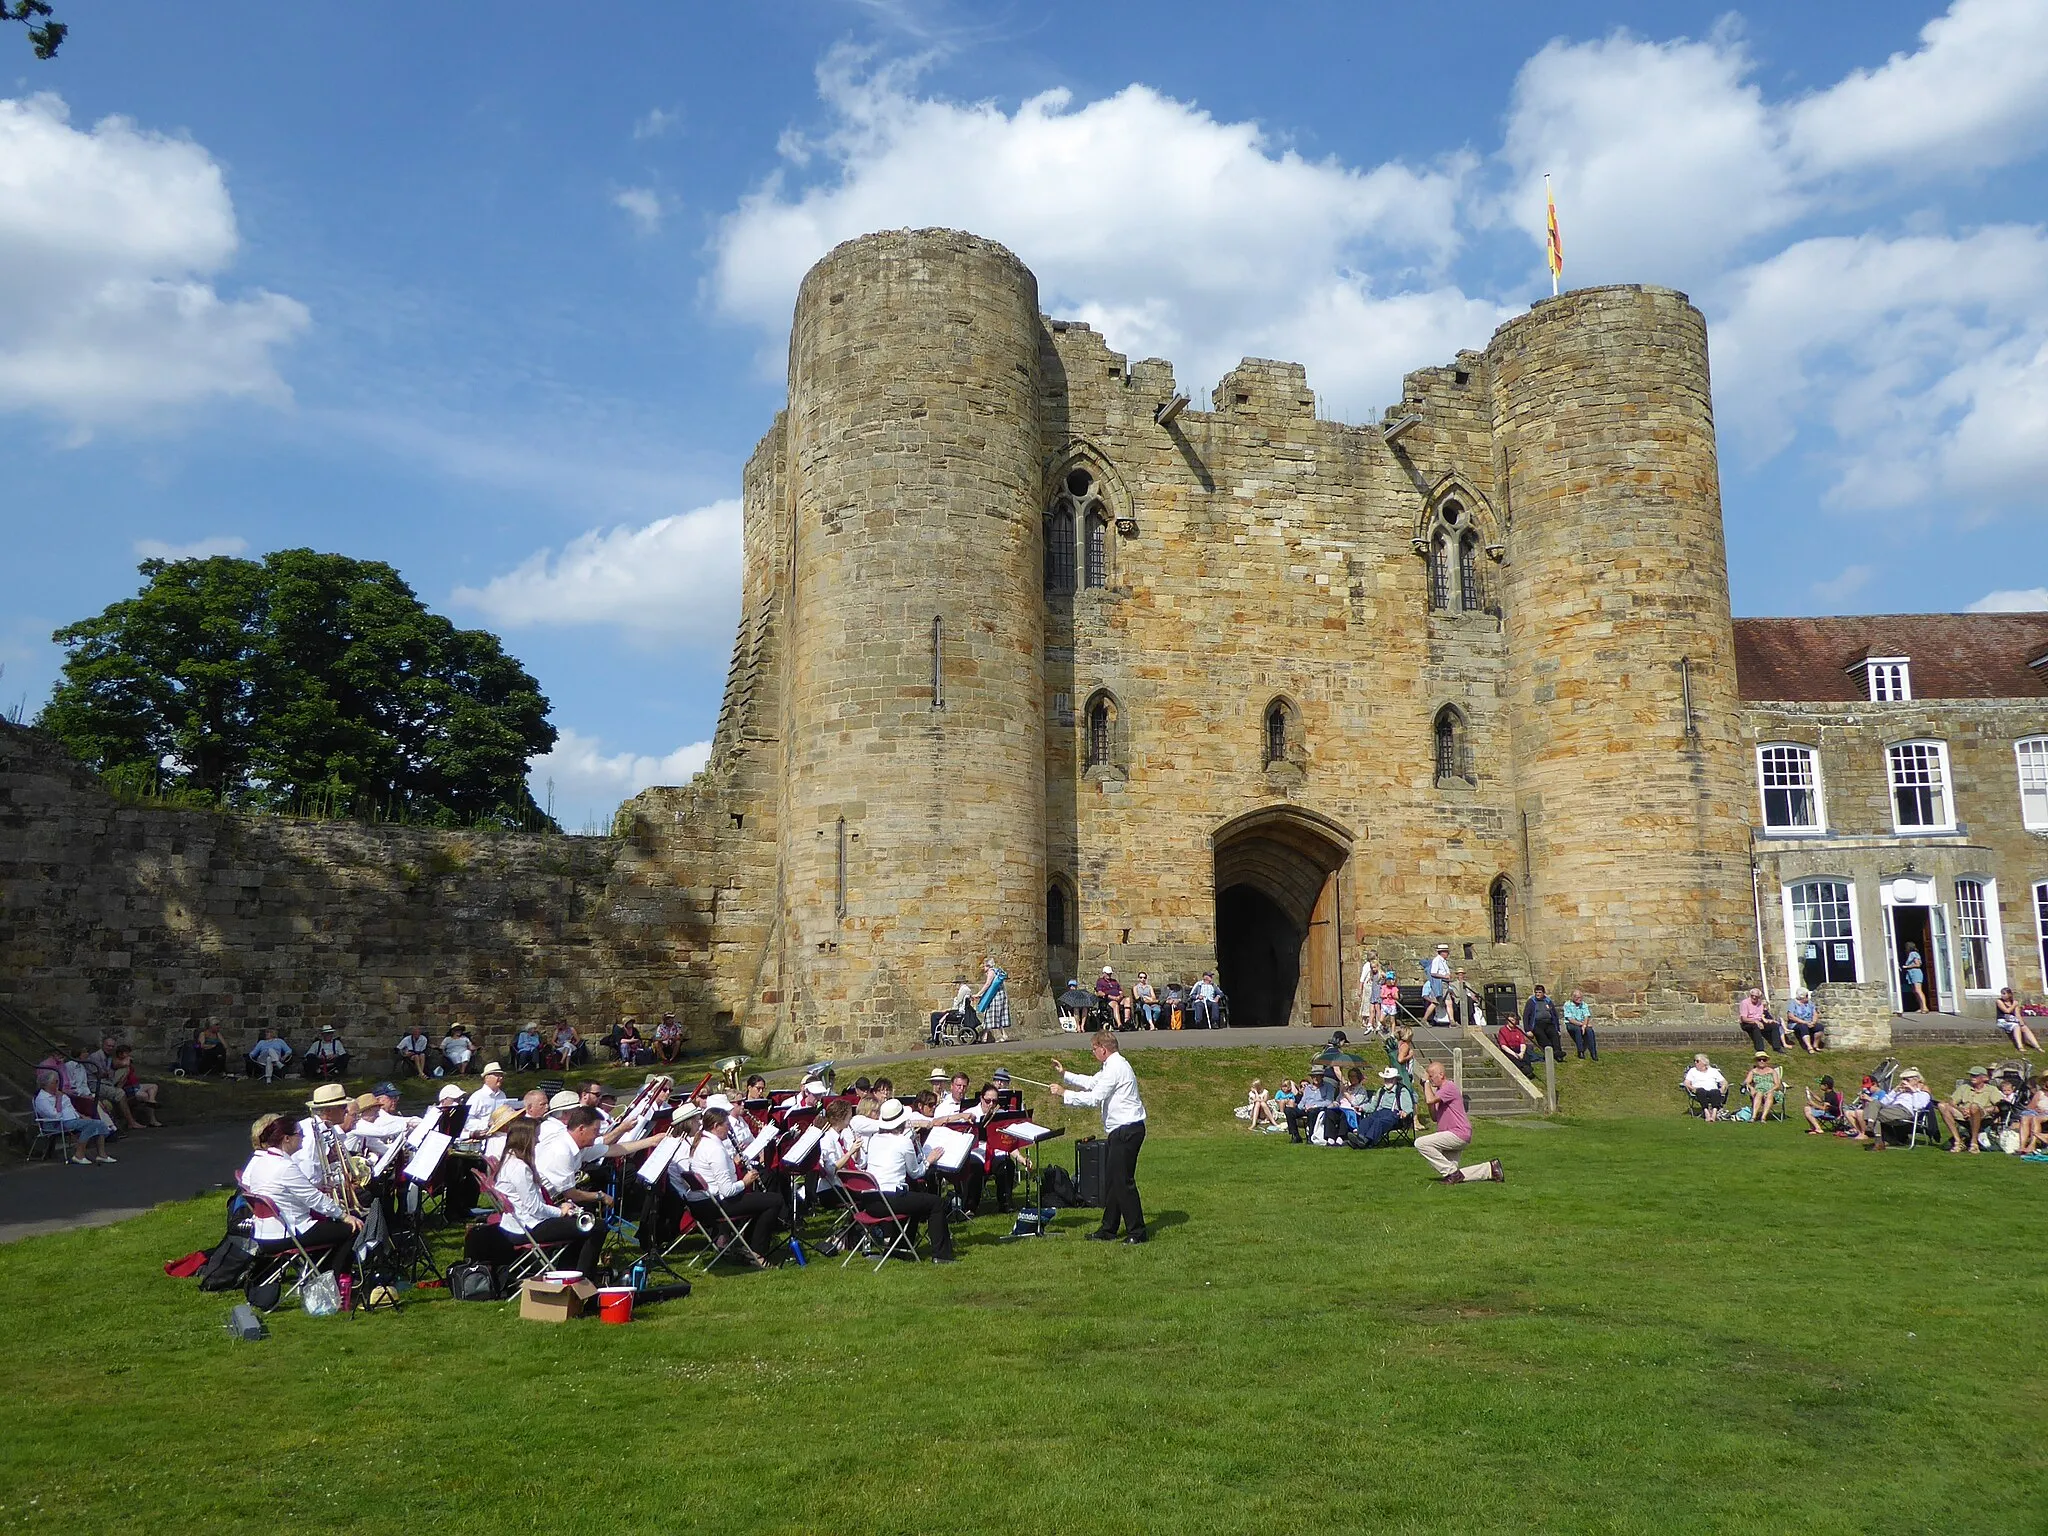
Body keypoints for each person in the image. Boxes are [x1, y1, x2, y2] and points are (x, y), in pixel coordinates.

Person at [1050, 1030, 1148, 1241]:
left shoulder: (1116, 1067)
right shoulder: (1110, 1066)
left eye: (1093, 1049)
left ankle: (1137, 1232)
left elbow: (1094, 1098)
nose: (1093, 1053)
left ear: (1103, 1049)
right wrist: (1065, 1075)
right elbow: (1093, 1082)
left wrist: (1064, 1093)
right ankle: (1108, 1229)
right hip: (1120, 1130)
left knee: (1123, 1183)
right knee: (1113, 1183)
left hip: (1127, 1130)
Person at [476, 1118, 607, 1275]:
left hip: (519, 1224)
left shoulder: (509, 1160)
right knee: (597, 1226)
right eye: (535, 1137)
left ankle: (568, 1271)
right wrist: (561, 1211)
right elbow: (534, 1208)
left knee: (582, 1227)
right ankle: (582, 1276)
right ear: (525, 1139)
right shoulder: (519, 1168)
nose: (537, 1141)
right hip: (528, 1228)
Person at [240, 1113, 359, 1266]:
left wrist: (315, 1189)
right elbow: (314, 1199)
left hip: (264, 1233)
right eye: (300, 1134)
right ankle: (336, 1279)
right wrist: (344, 1216)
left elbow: (283, 1192)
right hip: (287, 1234)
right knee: (351, 1228)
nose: (303, 1137)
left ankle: (321, 1273)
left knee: (330, 1227)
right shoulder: (284, 1166)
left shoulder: (261, 1162)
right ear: (286, 1138)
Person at [858, 1098, 954, 1261]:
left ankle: (900, 1248)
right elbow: (916, 1173)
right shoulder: (903, 1142)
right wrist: (929, 1159)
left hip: (870, 1201)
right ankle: (942, 1255)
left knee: (915, 1198)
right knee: (936, 1203)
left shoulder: (874, 1139)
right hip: (889, 1200)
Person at [1415, 1060, 1500, 1183]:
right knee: (1452, 1173)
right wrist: (1426, 1087)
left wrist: (1426, 1082)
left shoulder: (1449, 1087)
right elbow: (1434, 1117)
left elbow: (1429, 1100)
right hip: (1451, 1133)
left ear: (1441, 1075)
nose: (1430, 1079)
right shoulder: (1439, 1092)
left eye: (1431, 1076)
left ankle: (1453, 1174)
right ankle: (1490, 1169)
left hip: (1457, 1133)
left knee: (1421, 1143)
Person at [32, 1077, 114, 1163]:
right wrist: (59, 1099)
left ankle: (102, 1155)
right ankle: (79, 1155)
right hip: (57, 1123)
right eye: (55, 1082)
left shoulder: (58, 1093)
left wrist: (81, 1116)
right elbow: (55, 1115)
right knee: (90, 1125)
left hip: (72, 1119)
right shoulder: (42, 1098)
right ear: (46, 1085)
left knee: (100, 1123)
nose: (57, 1084)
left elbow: (70, 1108)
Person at [1849, 1068, 1932, 1149]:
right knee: (1874, 1103)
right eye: (1903, 1079)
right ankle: (1873, 1130)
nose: (1903, 1082)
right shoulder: (1900, 1091)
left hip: (1905, 1111)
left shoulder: (1922, 1093)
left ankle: (1877, 1137)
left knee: (1874, 1114)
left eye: (1907, 1080)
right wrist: (1895, 1091)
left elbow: (1918, 1106)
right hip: (1892, 1110)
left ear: (1916, 1080)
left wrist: (1913, 1090)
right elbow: (1883, 1102)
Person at [1939, 1066, 2003, 1155]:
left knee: (1974, 1107)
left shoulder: (1991, 1089)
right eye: (1971, 1075)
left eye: (1975, 1075)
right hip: (1964, 1113)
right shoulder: (1964, 1087)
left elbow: (1999, 1107)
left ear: (1984, 1077)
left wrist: (1983, 1110)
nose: (1972, 1077)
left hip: (1982, 1115)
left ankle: (1974, 1143)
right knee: (1942, 1105)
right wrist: (1961, 1109)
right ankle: (1958, 1141)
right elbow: (1952, 1102)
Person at [103, 1045, 162, 1127]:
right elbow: (124, 1064)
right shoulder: (116, 1062)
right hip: (128, 1088)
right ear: (120, 1054)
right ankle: (151, 1120)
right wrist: (128, 1058)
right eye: (126, 1053)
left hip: (135, 1084)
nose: (128, 1055)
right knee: (145, 1096)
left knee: (154, 1087)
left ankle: (152, 1101)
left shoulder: (126, 1060)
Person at [1286, 1065, 1340, 1144]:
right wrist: (1302, 1107)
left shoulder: (1328, 1087)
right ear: (1311, 1077)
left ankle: (1311, 1135)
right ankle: (1295, 1135)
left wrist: (1314, 1106)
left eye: (1318, 1076)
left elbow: (1329, 1101)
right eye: (1314, 1076)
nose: (1316, 1078)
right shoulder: (1308, 1088)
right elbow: (1303, 1101)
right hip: (1306, 1108)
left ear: (1322, 1076)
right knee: (1289, 1110)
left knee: (1312, 1112)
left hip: (1319, 1109)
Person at [463, 1063, 510, 1137]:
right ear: (487, 1078)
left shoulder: (502, 1095)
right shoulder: (478, 1096)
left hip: (501, 1136)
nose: (500, 1078)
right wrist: (487, 1124)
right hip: (483, 1138)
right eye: (497, 1075)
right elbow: (467, 1120)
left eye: (501, 1075)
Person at [1522, 985, 1564, 1062]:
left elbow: (1554, 1016)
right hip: (1537, 1024)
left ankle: (1558, 1053)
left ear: (1543, 993)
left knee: (1555, 1035)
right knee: (1542, 1037)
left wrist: (1558, 1029)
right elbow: (1525, 1016)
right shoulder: (1531, 1002)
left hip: (1548, 1023)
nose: (1538, 994)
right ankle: (1551, 1054)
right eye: (1536, 992)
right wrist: (1527, 1030)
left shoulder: (1548, 1001)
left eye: (1540, 992)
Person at [1683, 1055, 1729, 1120]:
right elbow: (1686, 1082)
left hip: (1713, 1091)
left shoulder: (1713, 1071)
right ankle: (1706, 1112)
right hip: (1698, 1091)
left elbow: (1724, 1082)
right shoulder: (1692, 1071)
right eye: (1694, 1061)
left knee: (1715, 1092)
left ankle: (1714, 1113)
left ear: (1704, 1062)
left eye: (1697, 1061)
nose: (1695, 1062)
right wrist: (1692, 1088)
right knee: (1701, 1091)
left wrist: (1722, 1088)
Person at [1740, 1053, 1783, 1123]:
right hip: (1758, 1091)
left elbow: (1777, 1084)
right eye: (1759, 1060)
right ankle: (1753, 1117)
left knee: (1769, 1094)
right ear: (1756, 1061)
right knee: (1759, 1093)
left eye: (1764, 1060)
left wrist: (1771, 1090)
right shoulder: (1753, 1072)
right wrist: (1751, 1088)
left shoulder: (1772, 1071)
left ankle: (1763, 1117)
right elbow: (1746, 1082)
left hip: (1772, 1091)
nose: (1762, 1061)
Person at [1736, 989, 1781, 1055]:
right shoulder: (1745, 1003)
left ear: (1759, 997)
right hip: (1747, 1022)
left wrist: (1769, 1021)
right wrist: (1755, 1021)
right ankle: (1760, 1049)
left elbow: (1761, 1016)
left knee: (1774, 1025)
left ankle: (1777, 1047)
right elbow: (1744, 1018)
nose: (1754, 997)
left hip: (1759, 1021)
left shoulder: (1760, 1003)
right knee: (1755, 1027)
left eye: (1756, 996)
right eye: (1752, 996)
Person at [1561, 989, 1597, 1061]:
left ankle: (1593, 1052)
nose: (1579, 999)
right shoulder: (1567, 1005)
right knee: (1577, 1030)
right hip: (1571, 1023)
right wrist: (1582, 1025)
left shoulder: (1584, 1004)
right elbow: (1570, 1019)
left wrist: (1584, 1025)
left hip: (1582, 1023)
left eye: (1580, 997)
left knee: (1590, 1031)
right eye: (1577, 998)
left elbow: (1586, 1016)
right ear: (1573, 997)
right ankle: (1580, 1051)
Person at [1424, 944, 1454, 1023]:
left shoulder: (1444, 961)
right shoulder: (1437, 960)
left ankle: (1452, 1021)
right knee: (1436, 1002)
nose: (1448, 953)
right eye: (1446, 952)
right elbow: (1433, 973)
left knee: (1448, 1002)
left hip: (1445, 984)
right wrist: (1444, 976)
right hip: (1440, 984)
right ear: (1442, 952)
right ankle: (1424, 1019)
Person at [1901, 944, 1929, 1013]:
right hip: (1911, 973)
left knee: (1918, 990)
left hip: (1915, 973)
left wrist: (1906, 967)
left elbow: (1918, 964)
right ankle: (1921, 1007)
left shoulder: (1913, 954)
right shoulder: (1911, 954)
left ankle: (1925, 1007)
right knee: (1914, 991)